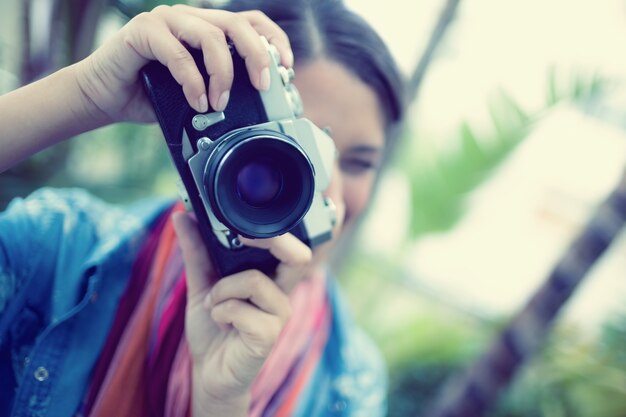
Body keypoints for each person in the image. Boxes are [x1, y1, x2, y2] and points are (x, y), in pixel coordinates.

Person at [0, 0, 404, 416]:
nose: (325, 187)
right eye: (295, 147)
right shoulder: (61, 249)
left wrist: (221, 403)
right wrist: (85, 93)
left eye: (356, 163)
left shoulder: (352, 381)